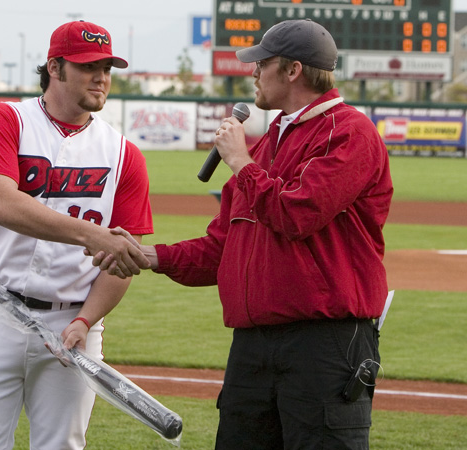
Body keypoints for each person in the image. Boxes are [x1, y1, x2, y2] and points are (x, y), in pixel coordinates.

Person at [96, 19, 393, 449]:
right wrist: (147, 255)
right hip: (253, 348)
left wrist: (241, 162)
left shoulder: (349, 132)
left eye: (262, 63)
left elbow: (297, 214)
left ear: (293, 70)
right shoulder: (270, 141)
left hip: (323, 345)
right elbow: (222, 247)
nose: (252, 72)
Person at [0, 21, 153, 450]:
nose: (101, 77)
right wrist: (94, 236)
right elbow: (3, 204)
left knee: (61, 446)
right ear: (55, 68)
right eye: (88, 66)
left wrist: (86, 320)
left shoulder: (124, 155)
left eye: (107, 67)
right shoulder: (5, 119)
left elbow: (122, 261)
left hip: (73, 322)